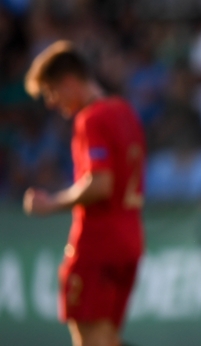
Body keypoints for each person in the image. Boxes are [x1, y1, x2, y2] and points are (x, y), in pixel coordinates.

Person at [22, 40, 145, 346]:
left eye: (51, 92)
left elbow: (99, 185)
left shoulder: (91, 119)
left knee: (90, 338)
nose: (52, 103)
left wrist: (51, 204)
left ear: (69, 82)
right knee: (106, 335)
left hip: (97, 242)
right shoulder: (125, 112)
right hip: (129, 238)